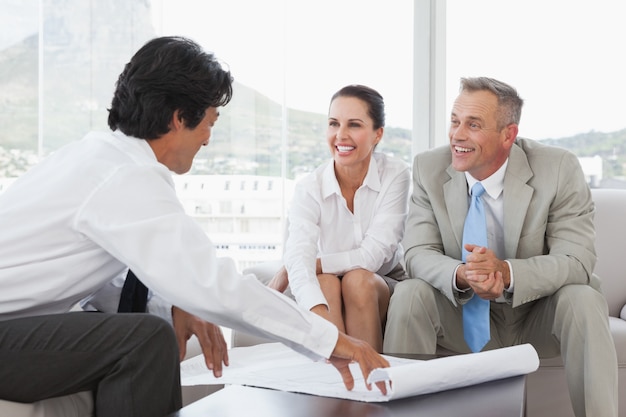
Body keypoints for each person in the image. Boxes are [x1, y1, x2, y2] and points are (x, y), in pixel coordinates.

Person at [0, 36, 389, 417]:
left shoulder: (96, 158)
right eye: (208, 122)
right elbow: (216, 285)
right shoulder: (126, 177)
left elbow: (101, 283)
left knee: (140, 328)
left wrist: (173, 298)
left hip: (15, 326)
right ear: (177, 118)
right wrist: (332, 341)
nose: (207, 139)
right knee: (143, 341)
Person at [383, 76, 618, 417]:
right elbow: (418, 253)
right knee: (409, 294)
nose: (457, 135)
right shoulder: (428, 168)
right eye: (454, 121)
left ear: (508, 135)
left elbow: (576, 259)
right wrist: (463, 274)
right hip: (460, 315)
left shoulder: (558, 168)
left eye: (473, 124)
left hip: (536, 316)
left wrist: (506, 273)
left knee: (583, 297)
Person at [268, 85, 410, 353]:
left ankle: (371, 384)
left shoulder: (396, 173)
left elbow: (372, 257)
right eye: (334, 123)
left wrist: (314, 263)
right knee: (323, 284)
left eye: (354, 125)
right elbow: (299, 255)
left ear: (377, 134)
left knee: (357, 280)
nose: (340, 135)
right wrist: (322, 320)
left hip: (381, 282)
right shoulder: (309, 187)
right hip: (329, 283)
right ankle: (337, 380)